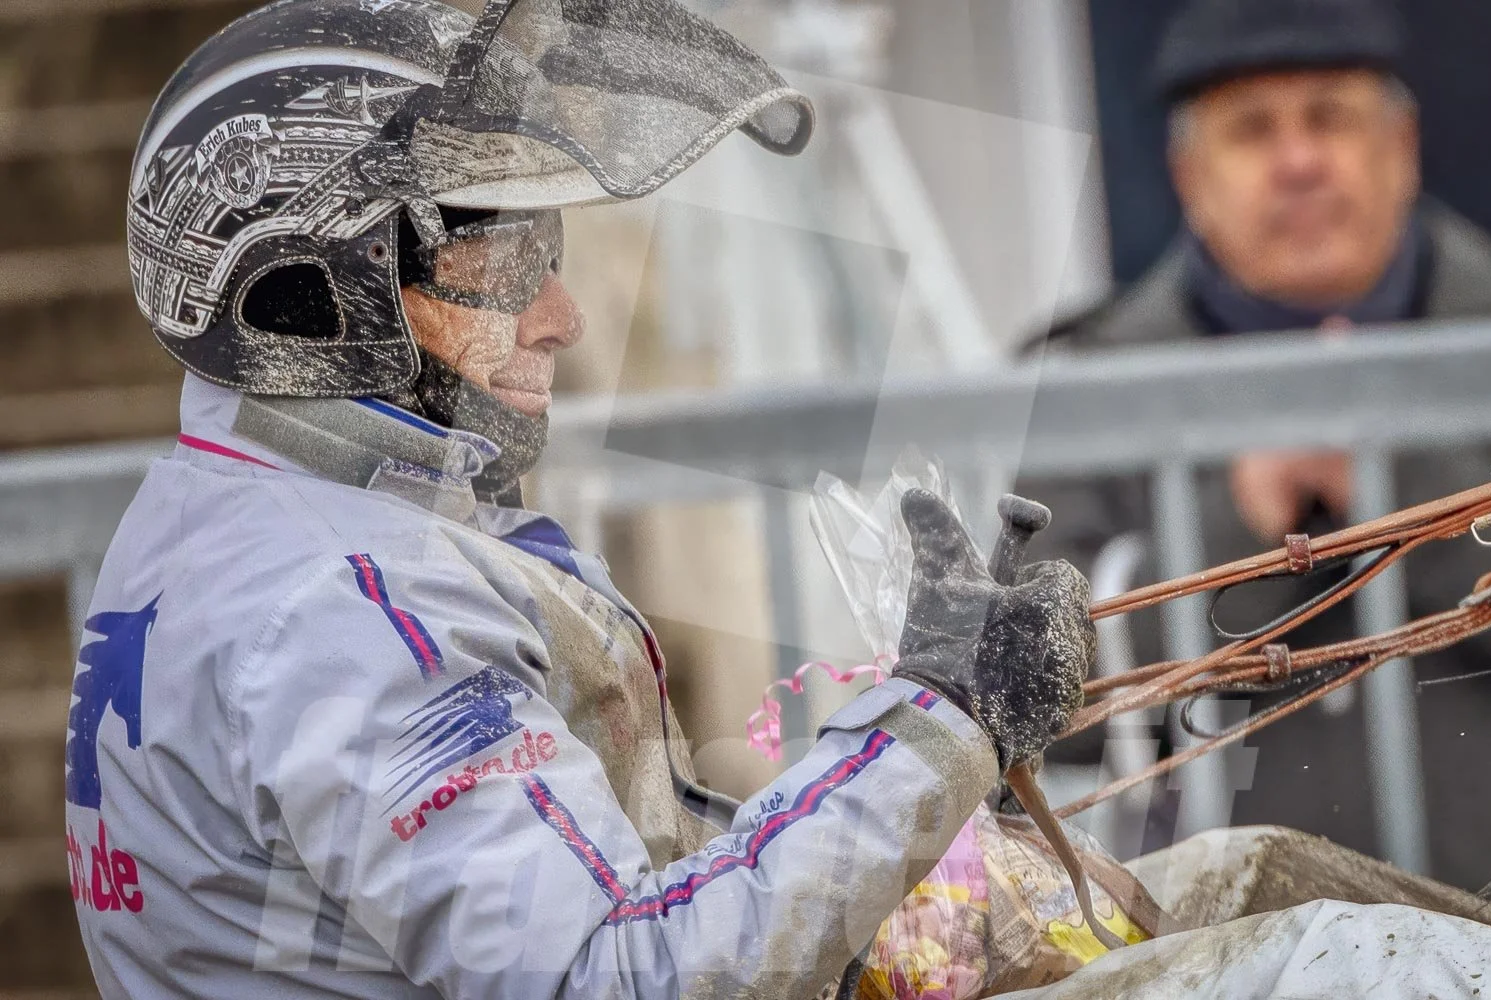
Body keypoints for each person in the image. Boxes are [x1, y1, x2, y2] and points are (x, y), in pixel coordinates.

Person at [65, 0, 1097, 995]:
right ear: (317, 293)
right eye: (506, 265)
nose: (564, 316)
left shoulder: (218, 515)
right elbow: (617, 976)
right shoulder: (347, 608)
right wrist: (942, 724)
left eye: (547, 254)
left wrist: (922, 755)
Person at [1028, 0, 1491, 892]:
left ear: (1402, 149)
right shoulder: (1087, 383)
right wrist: (1238, 526)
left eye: (1331, 117)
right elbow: (1039, 693)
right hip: (1225, 960)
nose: (1298, 162)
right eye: (1251, 130)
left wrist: (1408, 489)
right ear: (1187, 176)